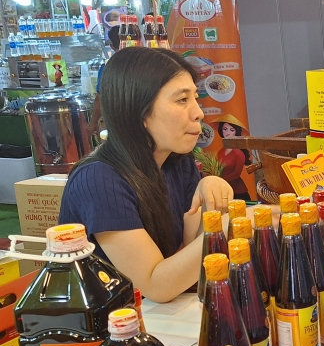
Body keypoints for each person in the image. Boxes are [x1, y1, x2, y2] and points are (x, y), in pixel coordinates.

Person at [59, 47, 233, 303]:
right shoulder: (99, 179)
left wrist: (211, 204)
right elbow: (155, 285)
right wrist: (230, 224)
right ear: (139, 112)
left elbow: (191, 260)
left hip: (153, 315)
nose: (198, 113)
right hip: (104, 320)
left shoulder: (177, 163)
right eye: (182, 100)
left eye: (195, 98)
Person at [216, 118, 253, 201]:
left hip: (238, 191)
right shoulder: (221, 151)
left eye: (231, 130)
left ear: (236, 132)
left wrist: (221, 180)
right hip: (223, 190)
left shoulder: (238, 153)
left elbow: (236, 174)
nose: (227, 133)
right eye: (225, 129)